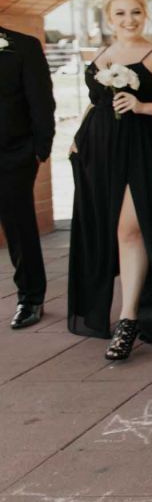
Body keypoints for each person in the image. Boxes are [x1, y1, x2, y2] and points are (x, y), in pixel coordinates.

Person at [67, 0, 152, 357]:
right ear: (108, 18)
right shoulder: (101, 55)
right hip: (98, 152)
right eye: (120, 14)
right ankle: (120, 307)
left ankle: (129, 317)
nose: (129, 20)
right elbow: (96, 104)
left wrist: (141, 105)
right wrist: (77, 137)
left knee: (131, 229)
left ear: (145, 14)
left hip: (141, 150)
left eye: (135, 12)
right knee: (104, 231)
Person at [0, 23, 54, 330]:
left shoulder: (22, 45)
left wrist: (39, 149)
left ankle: (31, 298)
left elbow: (41, 100)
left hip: (12, 154)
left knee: (19, 227)